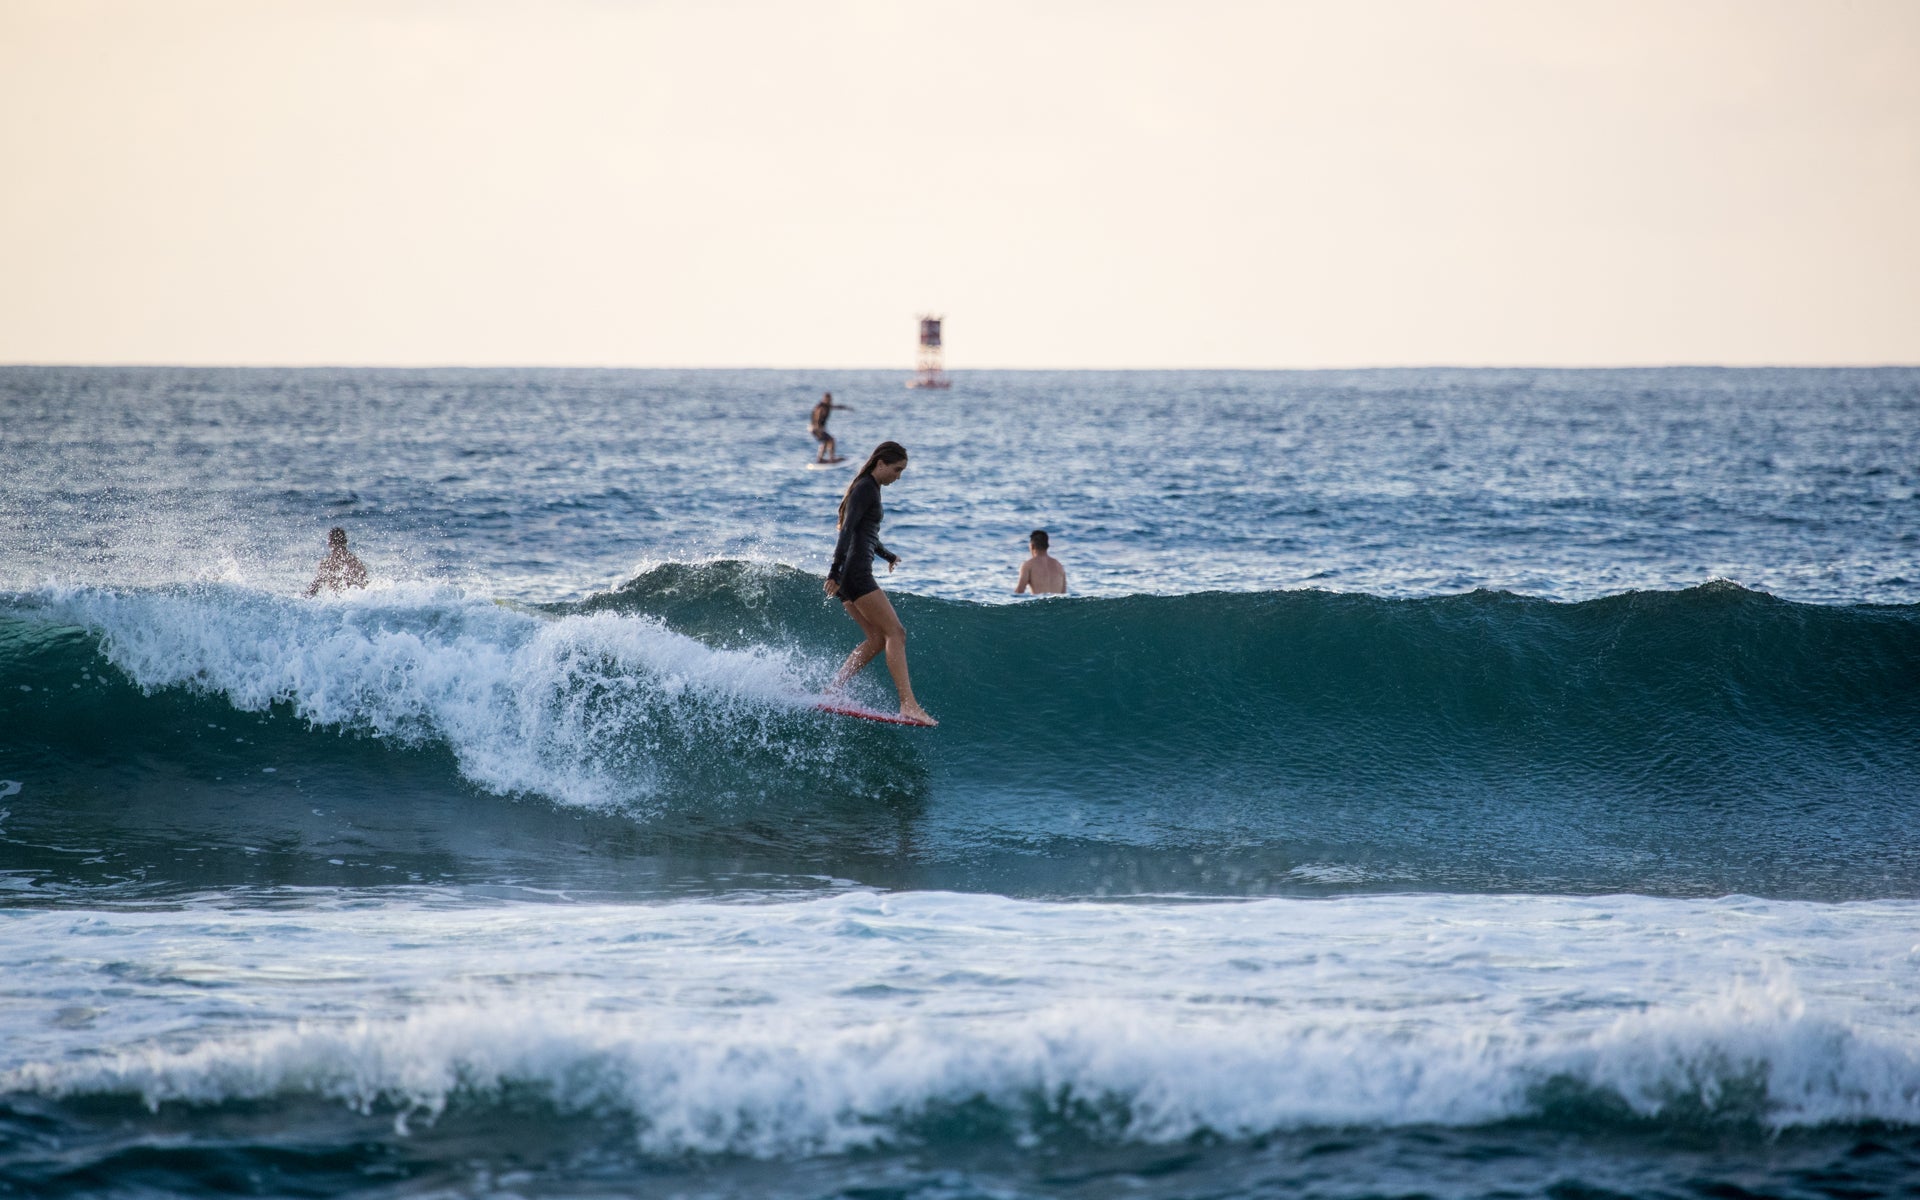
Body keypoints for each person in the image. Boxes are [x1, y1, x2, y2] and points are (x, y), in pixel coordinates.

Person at [824, 441, 935, 725]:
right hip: (856, 574)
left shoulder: (866, 488)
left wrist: (886, 554)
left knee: (876, 639)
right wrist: (834, 572)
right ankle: (908, 704)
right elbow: (847, 530)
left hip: (851, 574)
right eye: (897, 470)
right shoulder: (865, 488)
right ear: (881, 462)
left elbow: (865, 532)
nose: (898, 476)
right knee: (896, 634)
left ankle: (832, 691)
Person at [304, 527, 369, 596]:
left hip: (336, 602)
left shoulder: (327, 563)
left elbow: (314, 589)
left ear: (329, 543)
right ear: (346, 541)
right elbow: (365, 587)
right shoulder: (356, 562)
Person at [1014, 529, 1067, 595]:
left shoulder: (1028, 565)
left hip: (1039, 603)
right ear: (1047, 546)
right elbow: (1064, 593)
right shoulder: (1059, 566)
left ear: (1032, 546)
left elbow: (1020, 591)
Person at [809, 392, 849, 463]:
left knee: (826, 441)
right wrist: (818, 428)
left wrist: (845, 407)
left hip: (814, 428)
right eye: (828, 399)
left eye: (830, 399)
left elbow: (836, 407)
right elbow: (817, 417)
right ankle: (831, 459)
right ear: (825, 399)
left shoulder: (827, 406)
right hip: (815, 428)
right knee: (831, 440)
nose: (830, 401)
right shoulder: (821, 407)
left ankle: (820, 459)